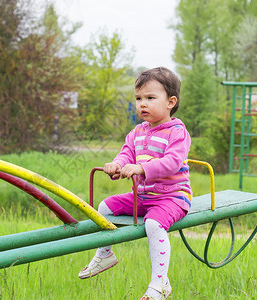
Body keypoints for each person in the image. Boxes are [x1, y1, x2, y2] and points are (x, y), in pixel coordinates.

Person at [78, 67, 192, 300]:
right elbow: (126, 154)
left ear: (171, 102)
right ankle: (105, 254)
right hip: (144, 197)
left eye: (150, 98)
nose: (142, 104)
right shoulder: (136, 132)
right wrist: (116, 165)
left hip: (173, 196)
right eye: (139, 98)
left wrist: (142, 168)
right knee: (105, 207)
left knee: (153, 224)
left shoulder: (177, 132)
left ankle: (159, 284)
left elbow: (172, 162)